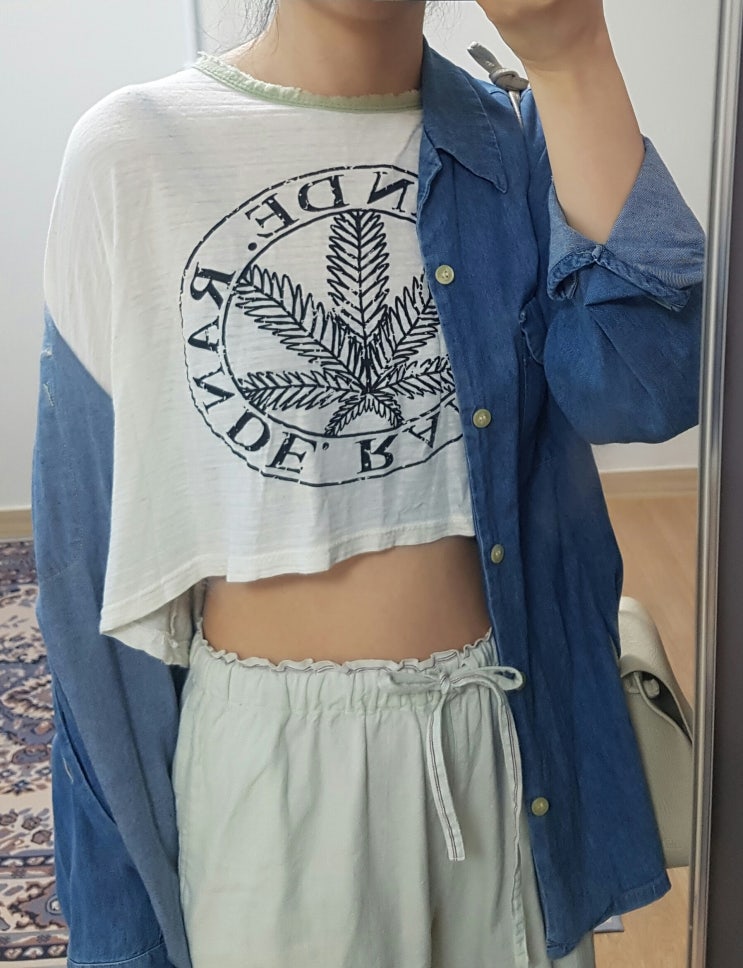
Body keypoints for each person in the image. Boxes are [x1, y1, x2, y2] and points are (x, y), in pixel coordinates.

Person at [32, 0, 705, 966]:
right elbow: (84, 566)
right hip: (275, 774)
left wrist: (571, 54)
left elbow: (644, 390)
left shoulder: (512, 140)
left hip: (505, 734)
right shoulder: (133, 148)